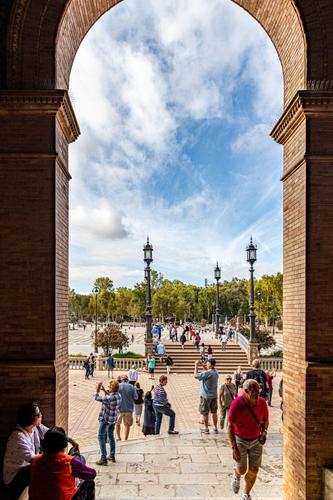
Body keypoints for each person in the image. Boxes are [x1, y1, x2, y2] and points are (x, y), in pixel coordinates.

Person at [228, 379, 269, 500]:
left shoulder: (262, 403)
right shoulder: (237, 404)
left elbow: (265, 420)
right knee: (242, 469)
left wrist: (264, 432)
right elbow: (230, 426)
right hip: (240, 440)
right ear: (246, 391)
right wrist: (234, 447)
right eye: (254, 391)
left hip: (256, 440)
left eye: (258, 390)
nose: (257, 393)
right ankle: (236, 474)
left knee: (254, 470)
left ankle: (246, 494)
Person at [29, 426, 96, 500]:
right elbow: (92, 474)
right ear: (64, 446)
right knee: (90, 482)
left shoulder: (35, 460)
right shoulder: (69, 461)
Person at [3, 402, 49, 499]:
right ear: (31, 418)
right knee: (38, 468)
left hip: (26, 469)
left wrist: (70, 440)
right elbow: (33, 459)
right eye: (38, 414)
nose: (41, 415)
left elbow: (52, 434)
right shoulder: (18, 437)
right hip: (14, 480)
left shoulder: (35, 427)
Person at [95, 379, 121, 465]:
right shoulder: (118, 395)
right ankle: (112, 455)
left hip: (106, 419)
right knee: (111, 436)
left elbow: (97, 398)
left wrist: (97, 390)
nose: (108, 388)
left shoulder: (109, 398)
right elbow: (110, 395)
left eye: (109, 387)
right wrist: (104, 390)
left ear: (112, 388)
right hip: (113, 419)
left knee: (101, 436)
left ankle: (103, 458)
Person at [194, 358, 219, 434]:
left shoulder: (208, 373)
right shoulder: (216, 372)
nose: (206, 364)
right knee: (214, 412)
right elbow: (207, 371)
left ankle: (206, 428)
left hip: (206, 396)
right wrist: (202, 365)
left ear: (211, 365)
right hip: (214, 395)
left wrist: (196, 365)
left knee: (205, 412)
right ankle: (215, 427)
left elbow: (195, 375)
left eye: (207, 363)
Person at [116, 374, 138, 441]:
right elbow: (136, 397)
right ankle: (125, 439)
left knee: (117, 424)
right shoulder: (132, 386)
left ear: (121, 380)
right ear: (127, 380)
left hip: (118, 409)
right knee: (127, 425)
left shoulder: (118, 386)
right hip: (129, 409)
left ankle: (119, 437)